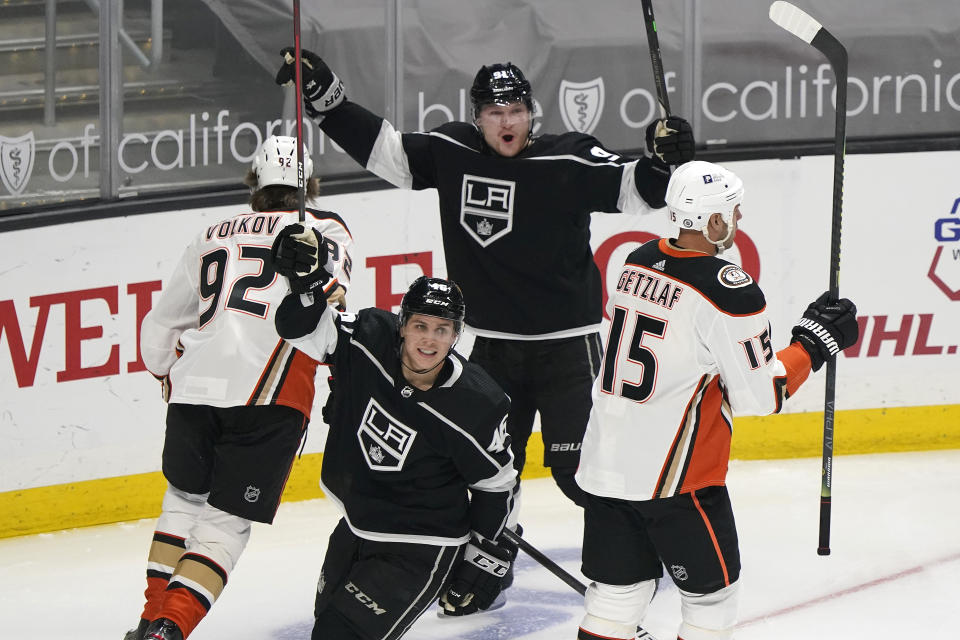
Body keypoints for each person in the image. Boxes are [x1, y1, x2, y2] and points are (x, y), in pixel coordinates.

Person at [273, 49, 696, 518]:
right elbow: (386, 150)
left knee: (580, 471)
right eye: (495, 113)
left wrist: (664, 160)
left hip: (568, 350)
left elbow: (636, 188)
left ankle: (631, 554)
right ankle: (494, 559)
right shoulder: (453, 151)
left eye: (516, 110)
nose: (507, 122)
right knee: (491, 465)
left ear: (530, 113)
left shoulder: (567, 158)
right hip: (491, 350)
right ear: (477, 118)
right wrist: (330, 105)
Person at [572, 160, 860, 640]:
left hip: (604, 467)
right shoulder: (728, 290)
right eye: (733, 211)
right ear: (714, 221)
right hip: (677, 480)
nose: (739, 218)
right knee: (711, 601)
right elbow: (761, 395)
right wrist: (814, 342)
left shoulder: (636, 260)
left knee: (616, 597)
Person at [124, 135, 354, 640]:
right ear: (309, 185)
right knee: (224, 524)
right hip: (272, 395)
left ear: (255, 184)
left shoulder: (212, 231)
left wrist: (165, 372)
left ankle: (148, 620)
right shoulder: (325, 229)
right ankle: (170, 628)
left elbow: (159, 326)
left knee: (183, 504)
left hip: (194, 391)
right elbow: (331, 305)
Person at [269, 230, 518, 639]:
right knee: (325, 625)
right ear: (402, 325)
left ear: (456, 336)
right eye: (420, 325)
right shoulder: (368, 337)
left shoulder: (478, 404)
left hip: (421, 546)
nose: (430, 339)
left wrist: (483, 550)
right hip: (358, 522)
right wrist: (305, 285)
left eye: (442, 329)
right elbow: (299, 330)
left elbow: (497, 485)